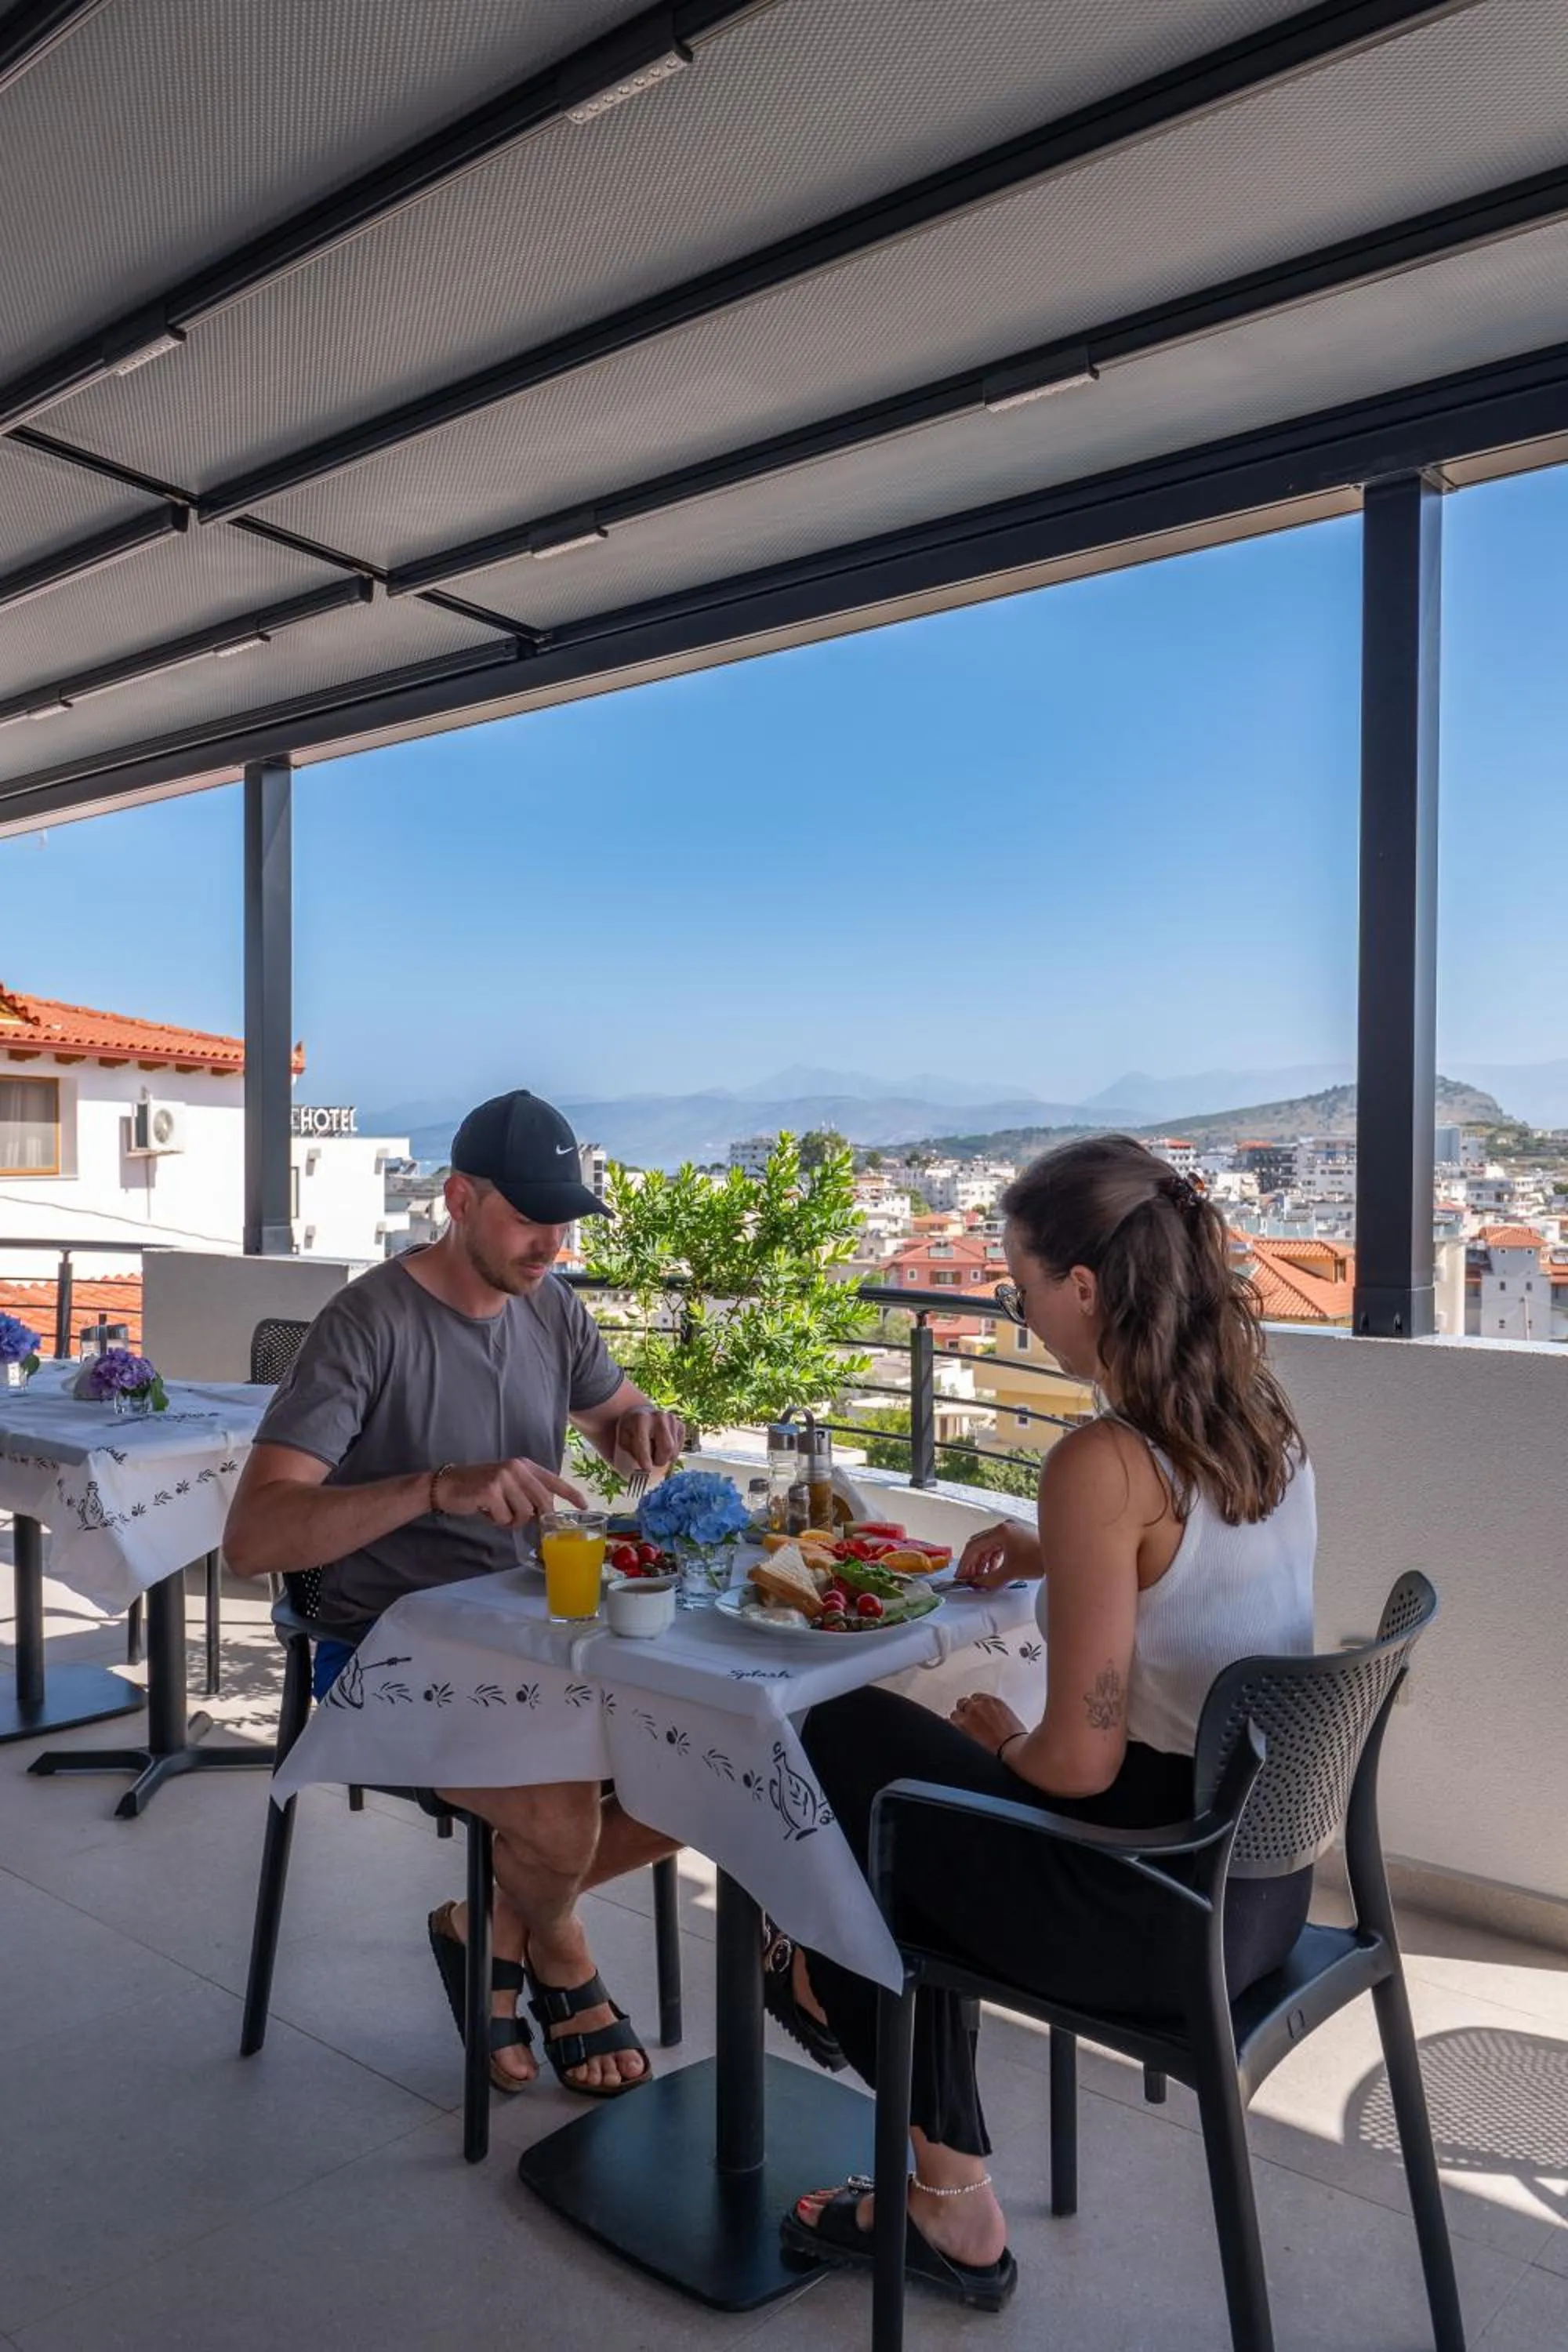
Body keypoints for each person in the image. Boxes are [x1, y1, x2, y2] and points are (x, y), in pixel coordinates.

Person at [768, 1135, 1316, 2311]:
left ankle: (945, 2194)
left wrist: (995, 1747)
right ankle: (822, 1982)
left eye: (1020, 1288)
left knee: (843, 1756)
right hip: (1263, 1897)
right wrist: (1054, 1556)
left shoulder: (1104, 1460)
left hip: (1153, 1908)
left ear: (1083, 1287)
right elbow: (1182, 1589)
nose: (1020, 1317)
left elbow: (1076, 1764)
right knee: (884, 1812)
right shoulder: (1264, 1423)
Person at [224, 1089, 686, 2097]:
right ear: (458, 1198)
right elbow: (253, 1537)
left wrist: (639, 1428)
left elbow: (614, 1413)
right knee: (563, 1818)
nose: (552, 1245)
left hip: (531, 1625)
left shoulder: (551, 1306)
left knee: (711, 1768)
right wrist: (437, 1487)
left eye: (564, 1221)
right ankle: (560, 1952)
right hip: (384, 1645)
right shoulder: (364, 1325)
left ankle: (487, 1925)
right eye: (529, 1218)